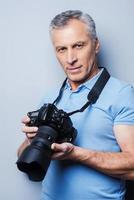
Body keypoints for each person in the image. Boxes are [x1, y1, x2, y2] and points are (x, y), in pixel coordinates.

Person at [17, 10, 134, 200]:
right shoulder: (51, 96)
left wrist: (77, 154)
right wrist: (31, 141)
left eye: (78, 46)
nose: (70, 59)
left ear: (96, 45)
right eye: (61, 49)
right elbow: (23, 157)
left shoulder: (122, 94)